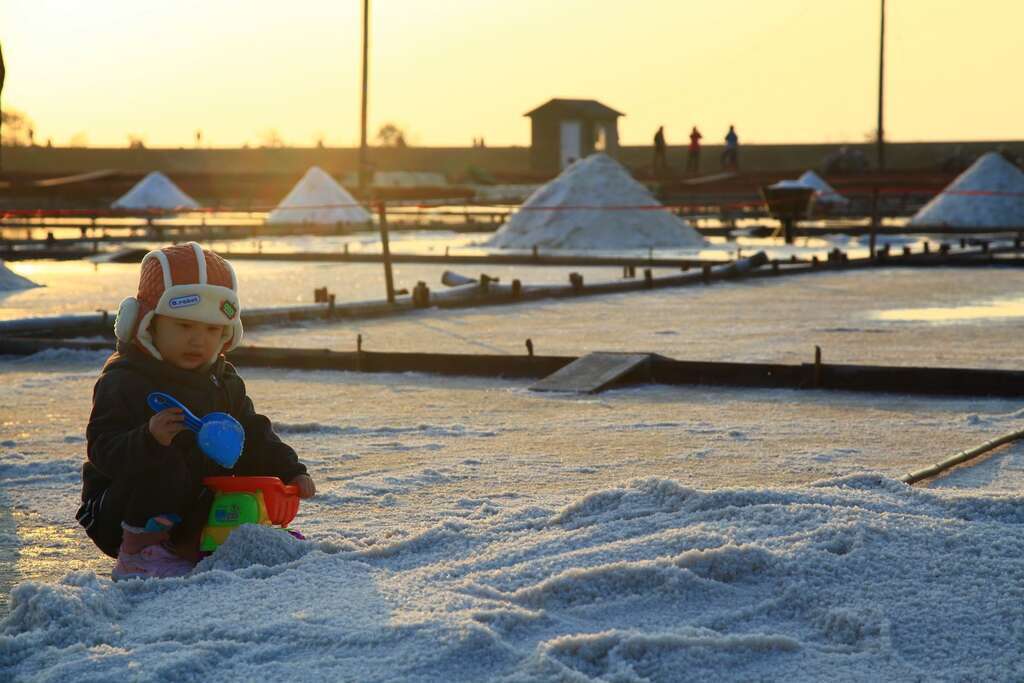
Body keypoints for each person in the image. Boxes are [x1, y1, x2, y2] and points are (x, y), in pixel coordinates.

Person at [77, 242, 316, 580]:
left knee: (237, 453)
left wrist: (290, 471)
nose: (198, 341)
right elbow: (103, 449)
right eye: (184, 326)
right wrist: (148, 438)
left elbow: (252, 432)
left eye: (211, 330)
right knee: (166, 461)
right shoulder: (125, 380)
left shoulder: (222, 380)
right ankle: (140, 552)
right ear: (148, 324)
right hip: (119, 510)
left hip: (194, 500)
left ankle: (216, 538)